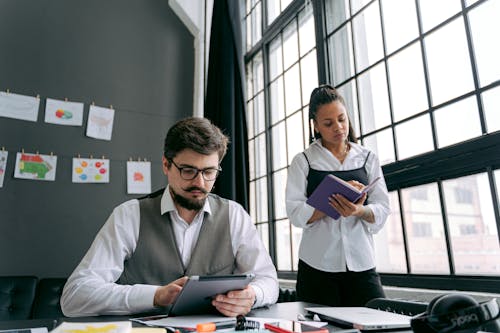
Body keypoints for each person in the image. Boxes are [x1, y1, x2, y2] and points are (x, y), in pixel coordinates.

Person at [61, 117, 278, 317]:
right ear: (166, 165)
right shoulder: (129, 215)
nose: (200, 183)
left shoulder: (235, 215)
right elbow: (74, 296)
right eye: (188, 170)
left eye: (209, 172)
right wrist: (154, 296)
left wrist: (252, 295)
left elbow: (269, 281)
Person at [285, 84, 390, 307]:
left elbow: (383, 207)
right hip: (317, 266)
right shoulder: (303, 161)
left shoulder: (367, 158)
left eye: (342, 119)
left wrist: (358, 210)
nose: (338, 127)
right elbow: (295, 213)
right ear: (315, 126)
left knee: (378, 323)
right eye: (328, 123)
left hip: (362, 263)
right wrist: (330, 203)